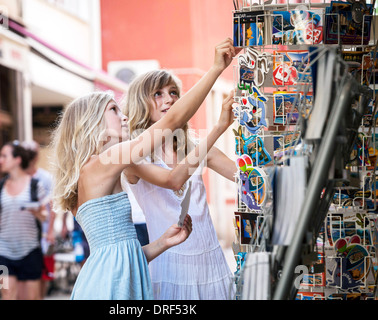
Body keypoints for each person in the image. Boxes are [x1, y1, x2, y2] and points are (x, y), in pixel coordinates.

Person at [49, 38, 235, 300]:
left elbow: (121, 251)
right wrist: (216, 68)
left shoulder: (103, 167)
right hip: (111, 284)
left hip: (120, 277)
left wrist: (162, 243)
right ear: (92, 124)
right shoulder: (106, 161)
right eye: (114, 110)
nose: (123, 115)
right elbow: (173, 120)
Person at [121, 42, 240, 299]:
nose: (170, 99)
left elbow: (243, 178)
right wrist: (219, 126)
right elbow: (175, 181)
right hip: (170, 265)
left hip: (211, 262)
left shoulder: (194, 147)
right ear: (140, 103)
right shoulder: (132, 155)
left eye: (174, 92)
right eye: (158, 94)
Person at [0, 140, 48, 300]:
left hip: (30, 251)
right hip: (3, 251)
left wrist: (37, 212)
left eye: (4, 156)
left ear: (17, 160)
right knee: (6, 293)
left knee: (31, 298)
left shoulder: (35, 185)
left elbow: (44, 217)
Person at [22, 140, 56, 298]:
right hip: (23, 234)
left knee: (43, 275)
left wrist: (50, 231)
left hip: (42, 233)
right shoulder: (14, 178)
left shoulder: (46, 177)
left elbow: (52, 205)